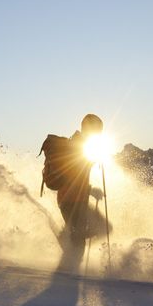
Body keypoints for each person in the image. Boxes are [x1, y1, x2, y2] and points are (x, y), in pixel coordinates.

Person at [43, 113, 109, 271]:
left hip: (77, 199)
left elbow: (77, 176)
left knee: (100, 228)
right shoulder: (77, 146)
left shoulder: (82, 145)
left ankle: (68, 239)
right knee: (79, 242)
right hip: (71, 200)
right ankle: (66, 275)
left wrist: (90, 190)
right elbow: (74, 176)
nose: (99, 134)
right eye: (97, 131)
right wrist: (91, 190)